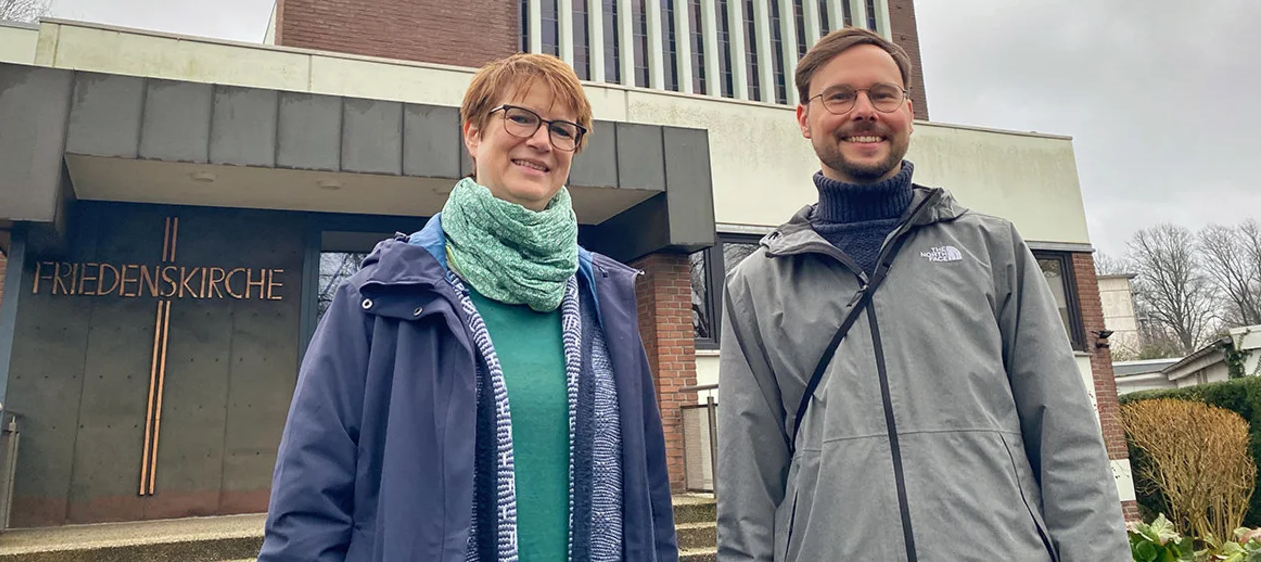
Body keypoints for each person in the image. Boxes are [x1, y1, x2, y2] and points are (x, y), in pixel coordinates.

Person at [716, 28, 1130, 562]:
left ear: (908, 113)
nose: (864, 111)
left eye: (882, 94)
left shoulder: (992, 248)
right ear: (803, 118)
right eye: (839, 96)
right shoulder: (756, 283)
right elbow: (746, 479)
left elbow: (1066, 436)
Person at [259, 53, 678, 562]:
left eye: (562, 129)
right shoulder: (381, 295)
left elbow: (650, 496)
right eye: (520, 117)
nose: (541, 141)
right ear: (473, 134)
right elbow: (309, 499)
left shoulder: (605, 297)